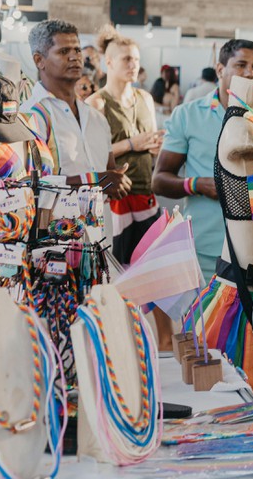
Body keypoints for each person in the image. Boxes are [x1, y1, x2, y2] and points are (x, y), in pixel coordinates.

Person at [153, 39, 253, 281]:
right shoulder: (188, 115)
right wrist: (197, 185)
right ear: (220, 70)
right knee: (203, 320)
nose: (250, 72)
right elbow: (160, 180)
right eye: (241, 65)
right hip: (206, 251)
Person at [85, 27, 171, 350]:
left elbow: (150, 143)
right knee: (119, 272)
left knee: (158, 267)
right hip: (117, 198)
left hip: (146, 193)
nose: (132, 65)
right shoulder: (97, 102)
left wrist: (152, 147)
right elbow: (95, 152)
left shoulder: (145, 98)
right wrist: (132, 144)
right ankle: (119, 342)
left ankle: (164, 339)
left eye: (136, 59)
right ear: (108, 62)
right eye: (125, 59)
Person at [23, 20, 132, 196]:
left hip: (102, 222)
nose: (75, 57)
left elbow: (108, 171)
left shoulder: (96, 118)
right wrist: (96, 180)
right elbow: (25, 183)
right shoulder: (31, 115)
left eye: (77, 50)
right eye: (64, 51)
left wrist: (117, 180)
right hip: (53, 223)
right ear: (39, 60)